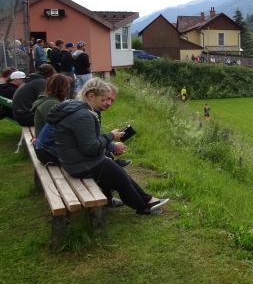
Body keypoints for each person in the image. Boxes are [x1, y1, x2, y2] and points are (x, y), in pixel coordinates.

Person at [47, 78, 169, 215]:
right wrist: (111, 136)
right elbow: (90, 148)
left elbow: (87, 142)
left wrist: (108, 144)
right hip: (78, 165)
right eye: (103, 99)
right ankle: (143, 206)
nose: (107, 103)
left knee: (115, 169)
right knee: (117, 174)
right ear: (91, 96)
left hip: (73, 161)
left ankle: (147, 200)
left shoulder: (78, 109)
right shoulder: (83, 115)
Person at [32, 74, 73, 164]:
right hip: (48, 149)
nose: (69, 90)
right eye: (68, 87)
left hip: (46, 146)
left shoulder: (49, 100)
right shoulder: (51, 104)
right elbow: (60, 128)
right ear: (62, 88)